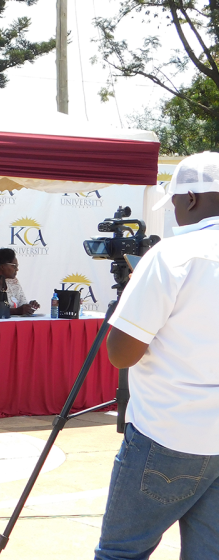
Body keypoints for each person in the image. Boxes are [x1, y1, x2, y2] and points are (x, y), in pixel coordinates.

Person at [94, 152, 219, 560]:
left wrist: (133, 299)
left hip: (168, 434)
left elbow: (121, 354)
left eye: (177, 203)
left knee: (120, 553)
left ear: (193, 199)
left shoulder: (172, 255)